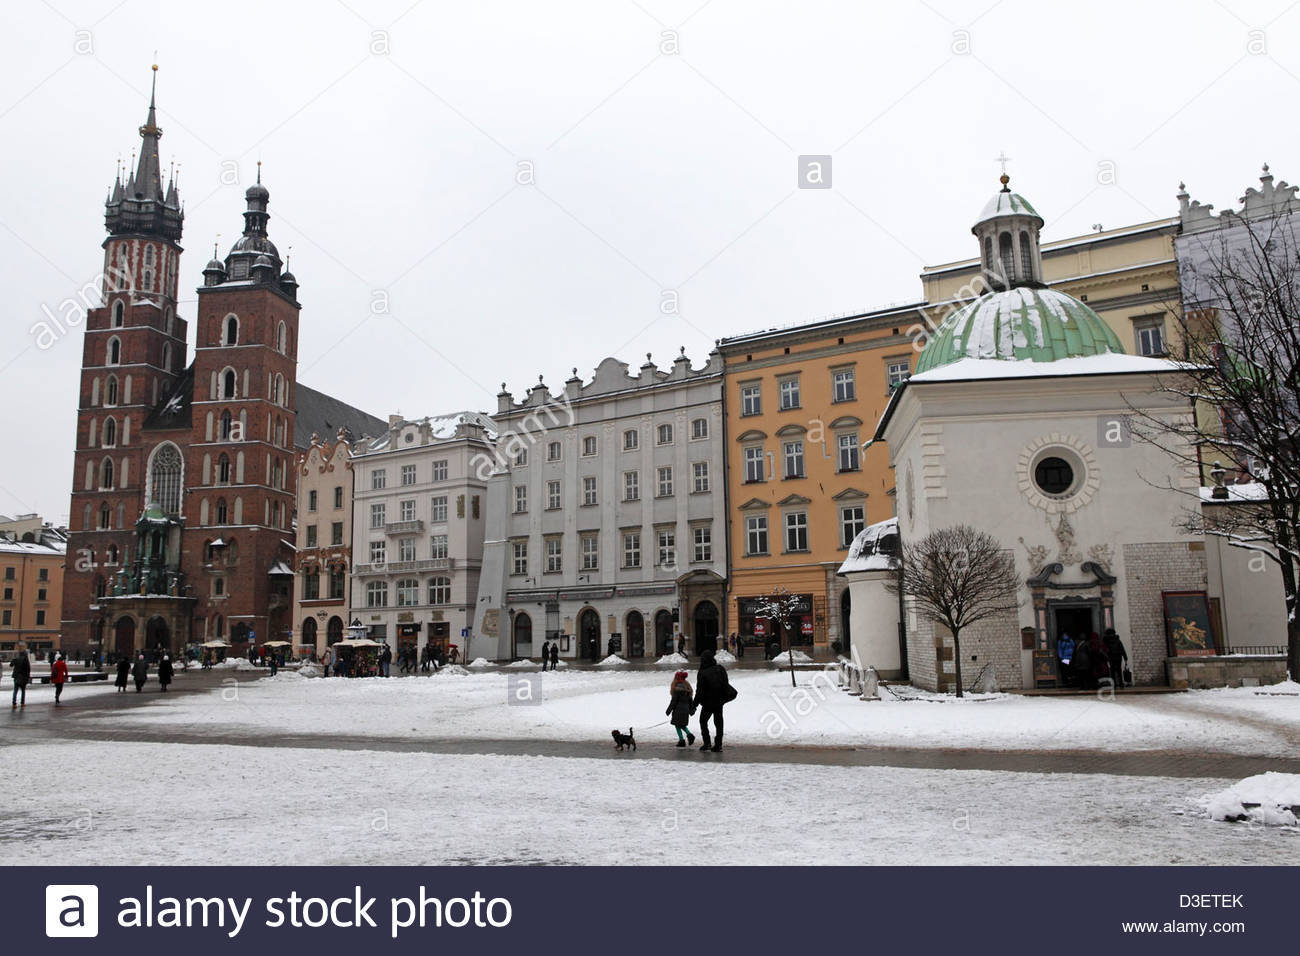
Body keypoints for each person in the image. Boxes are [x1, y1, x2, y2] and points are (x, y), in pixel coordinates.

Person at [692, 649, 734, 752]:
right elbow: (725, 684)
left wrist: (694, 705)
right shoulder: (720, 669)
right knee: (719, 722)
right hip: (719, 701)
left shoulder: (702, 672)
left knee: (703, 721)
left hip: (708, 703)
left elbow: (699, 691)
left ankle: (707, 743)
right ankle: (718, 744)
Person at [665, 670, 697, 748]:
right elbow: (691, 702)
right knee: (681, 724)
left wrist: (668, 710)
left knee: (678, 725)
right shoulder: (687, 688)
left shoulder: (677, 689)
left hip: (678, 710)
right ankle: (686, 737)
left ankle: (683, 739)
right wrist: (692, 710)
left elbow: (674, 702)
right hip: (685, 710)